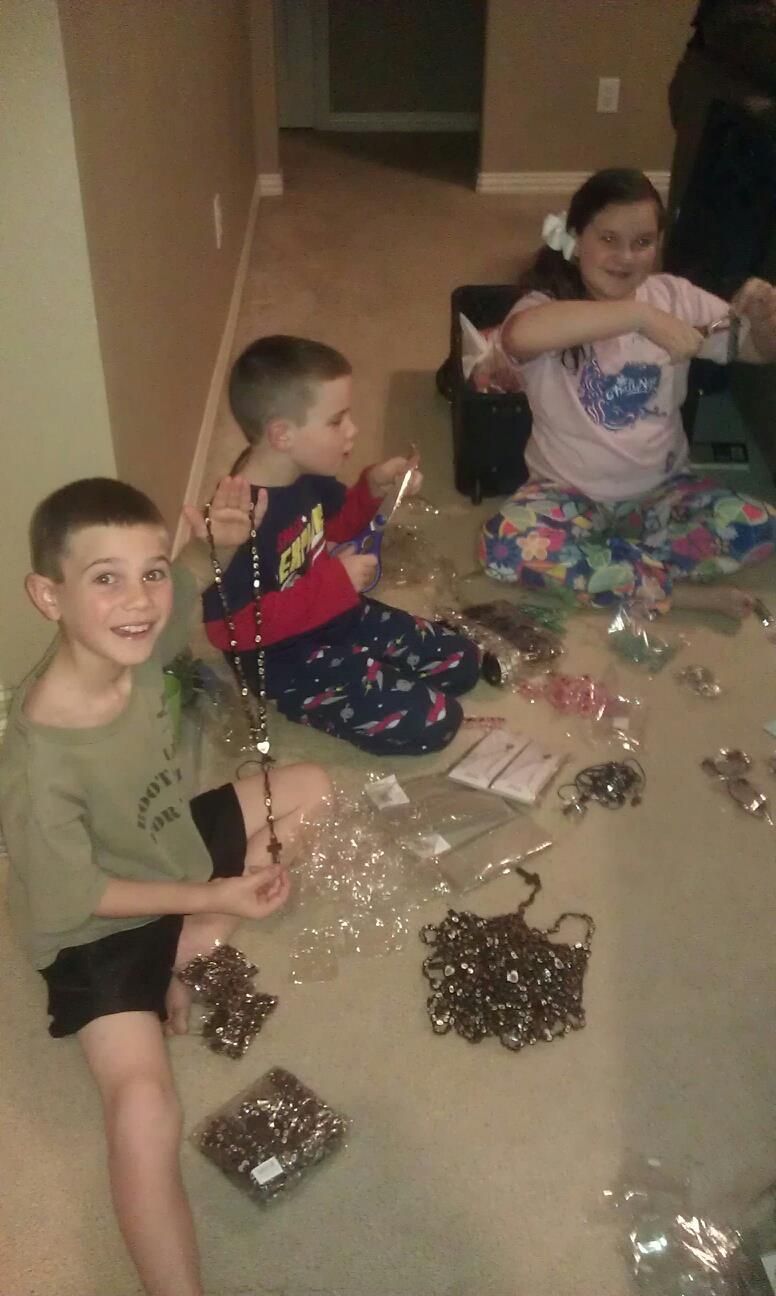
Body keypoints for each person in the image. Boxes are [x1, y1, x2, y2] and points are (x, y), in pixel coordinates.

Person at [0, 475, 331, 1296]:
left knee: (314, 785)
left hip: (167, 843)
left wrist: (211, 539)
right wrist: (215, 899)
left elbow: (190, 584)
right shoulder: (38, 768)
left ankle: (185, 951)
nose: (139, 600)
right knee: (145, 1106)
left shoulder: (142, 634)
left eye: (147, 572)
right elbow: (75, 900)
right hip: (95, 927)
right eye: (103, 578)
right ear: (48, 595)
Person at [478, 168, 776, 613]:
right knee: (501, 548)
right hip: (566, 492)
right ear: (577, 239)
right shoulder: (547, 304)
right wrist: (639, 317)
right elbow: (519, 336)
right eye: (609, 239)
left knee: (760, 527)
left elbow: (754, 351)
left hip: (662, 492)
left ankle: (617, 572)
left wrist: (766, 319)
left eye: (642, 243)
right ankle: (677, 593)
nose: (626, 257)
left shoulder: (675, 297)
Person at [202, 335, 480, 753]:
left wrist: (373, 488)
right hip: (282, 658)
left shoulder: (304, 474)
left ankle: (360, 659)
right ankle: (319, 697)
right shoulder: (238, 521)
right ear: (282, 435)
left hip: (333, 611)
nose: (353, 431)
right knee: (436, 722)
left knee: (463, 661)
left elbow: (337, 527)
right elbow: (228, 629)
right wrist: (335, 583)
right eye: (337, 421)